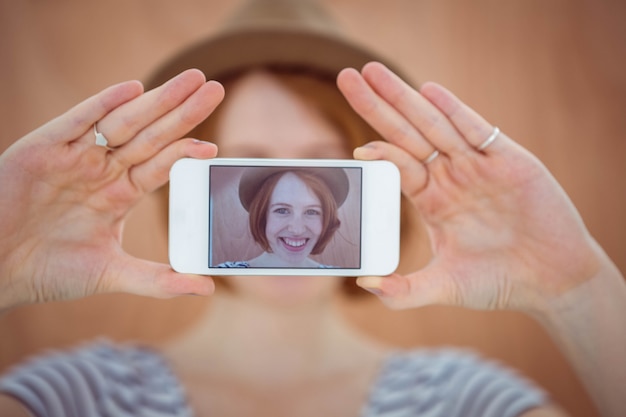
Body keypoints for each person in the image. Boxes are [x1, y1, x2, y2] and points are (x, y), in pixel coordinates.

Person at [0, 1, 624, 417]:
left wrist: (578, 291)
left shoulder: (469, 399)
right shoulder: (69, 396)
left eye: (322, 163)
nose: (293, 214)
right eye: (253, 162)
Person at [215, 167, 350, 268]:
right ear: (262, 217)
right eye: (282, 210)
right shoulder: (220, 276)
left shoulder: (343, 281)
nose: (297, 230)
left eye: (311, 212)